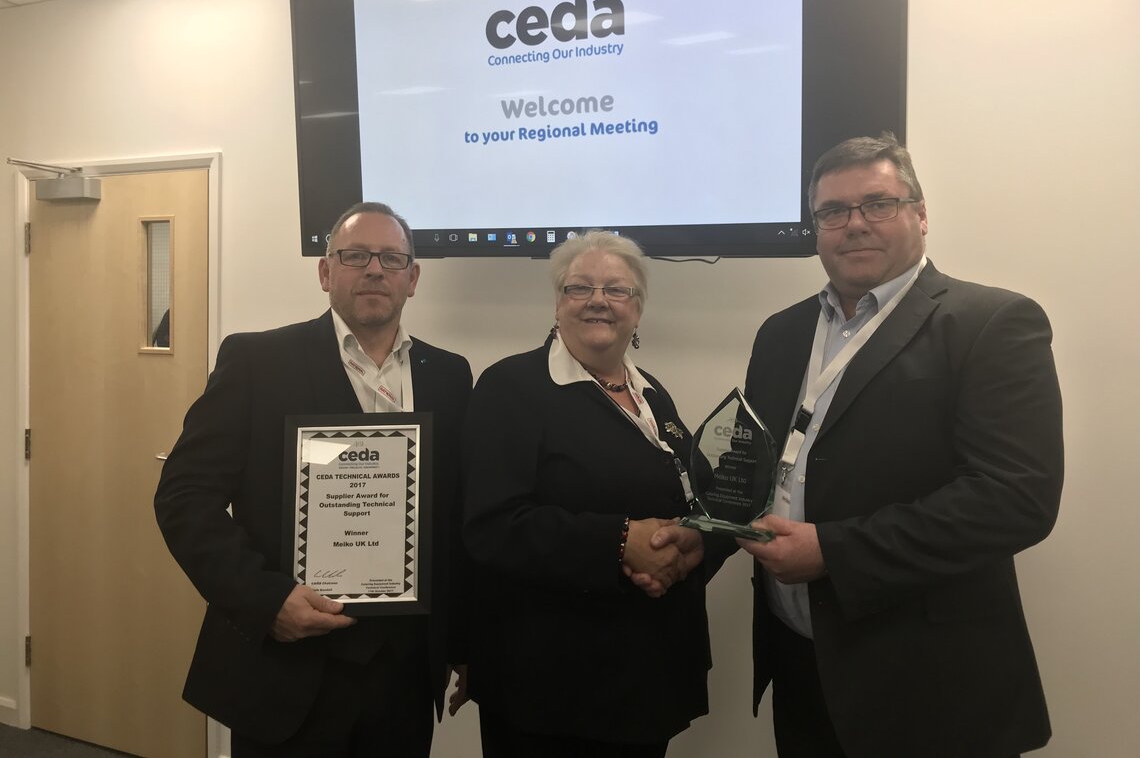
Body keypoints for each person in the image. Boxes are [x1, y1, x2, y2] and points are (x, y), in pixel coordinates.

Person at [732, 132, 1063, 758]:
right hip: (802, 665)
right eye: (833, 211)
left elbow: (1015, 500)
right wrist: (700, 534)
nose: (854, 224)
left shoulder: (991, 323)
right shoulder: (781, 333)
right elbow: (756, 467)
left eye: (878, 204)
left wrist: (833, 552)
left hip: (929, 683)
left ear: (921, 214)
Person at [154, 202, 472, 757]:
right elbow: (185, 497)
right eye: (355, 256)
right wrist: (265, 600)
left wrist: (463, 643)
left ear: (413, 277)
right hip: (286, 671)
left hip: (404, 673)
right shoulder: (256, 361)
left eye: (391, 258)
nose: (374, 270)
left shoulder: (449, 375)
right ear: (326, 272)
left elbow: (453, 517)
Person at [462, 231, 709, 758]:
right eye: (580, 288)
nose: (598, 300)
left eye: (617, 290)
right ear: (558, 304)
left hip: (647, 676)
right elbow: (492, 527)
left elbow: (688, 494)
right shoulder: (510, 387)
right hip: (549, 689)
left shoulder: (652, 393)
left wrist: (691, 544)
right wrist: (619, 542)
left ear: (637, 310)